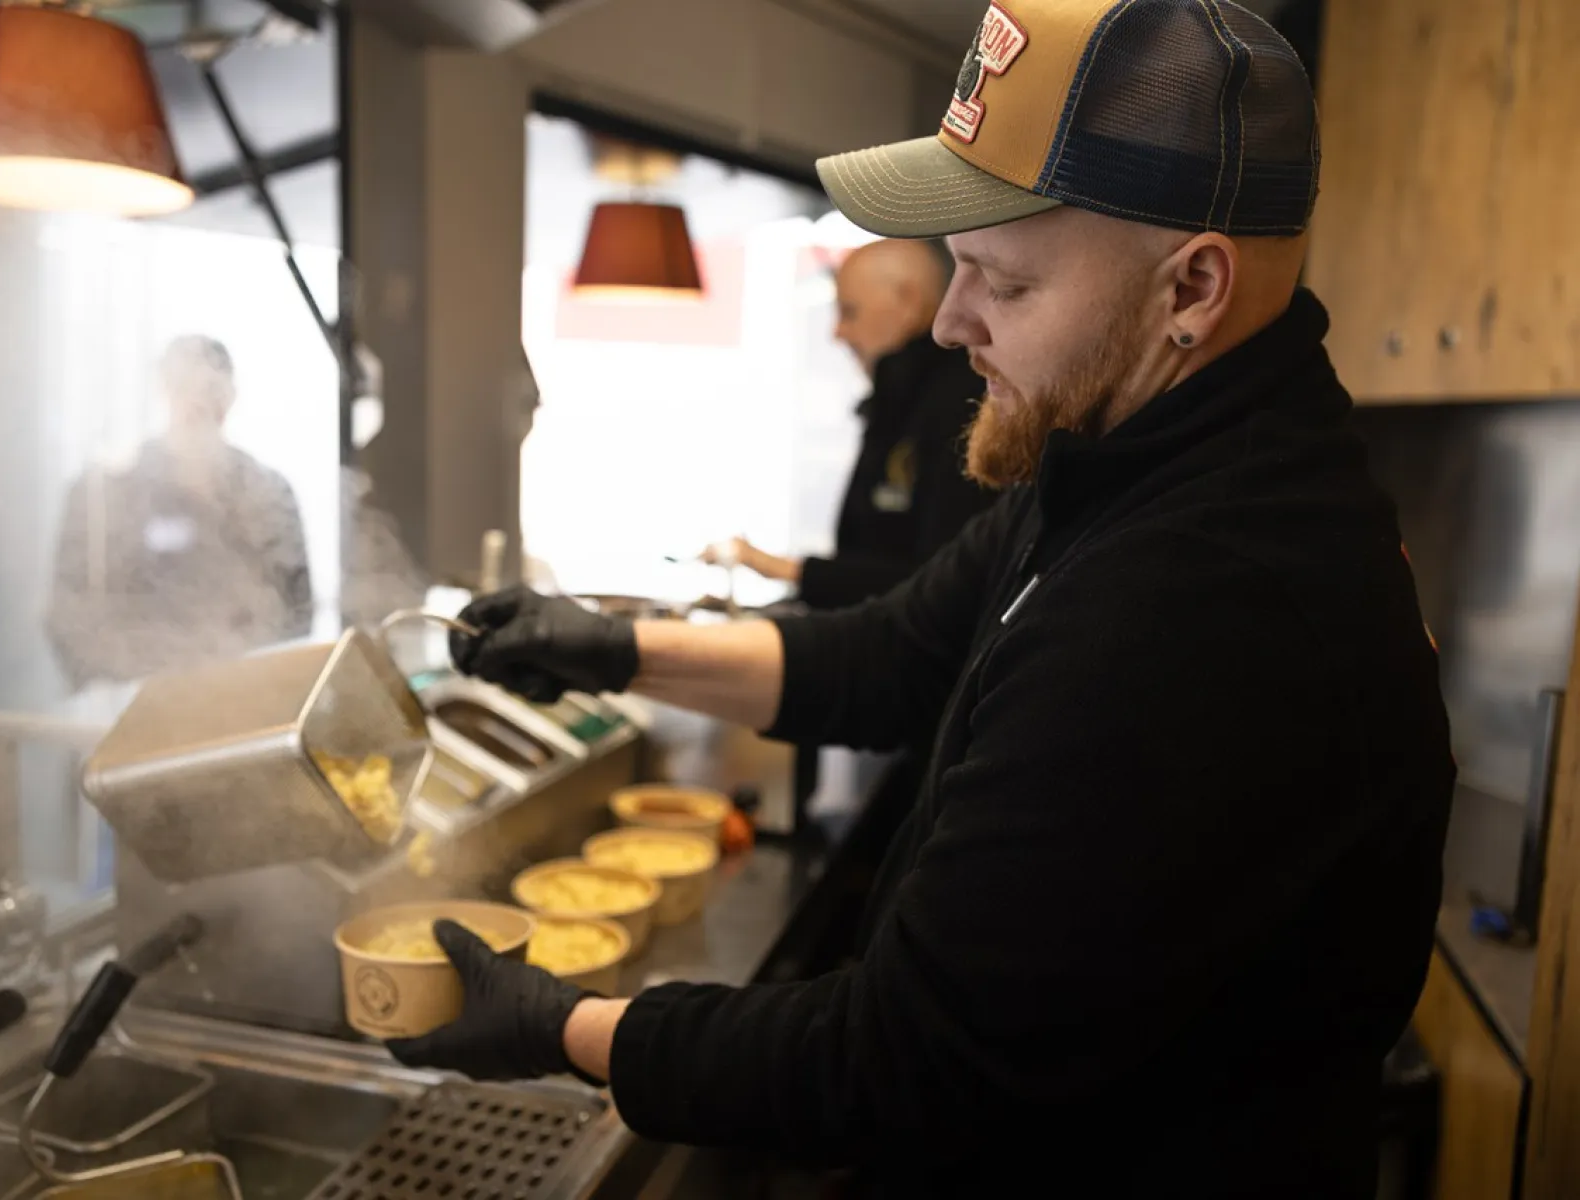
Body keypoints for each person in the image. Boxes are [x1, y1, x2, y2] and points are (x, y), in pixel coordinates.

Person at [386, 2, 1456, 1195]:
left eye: (1002, 281)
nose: (952, 325)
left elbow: (898, 1059)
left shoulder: (1203, 597)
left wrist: (564, 1027)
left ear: (1191, 288)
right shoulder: (1126, 454)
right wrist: (613, 650)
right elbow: (896, 652)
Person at [704, 239, 995, 609]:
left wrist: (786, 570)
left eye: (849, 312)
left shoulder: (961, 403)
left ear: (907, 303)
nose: (837, 333)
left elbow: (943, 581)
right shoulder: (898, 397)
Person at [46, 335, 313, 686]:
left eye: (212, 389)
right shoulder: (107, 494)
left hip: (241, 702)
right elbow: (68, 616)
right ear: (164, 389)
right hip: (132, 706)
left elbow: (296, 616)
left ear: (230, 397)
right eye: (186, 385)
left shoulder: (268, 494)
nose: (199, 402)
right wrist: (127, 685)